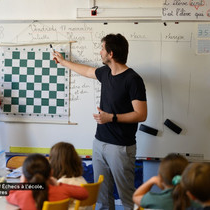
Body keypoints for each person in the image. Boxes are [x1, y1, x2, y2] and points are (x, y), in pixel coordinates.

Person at [53, 33, 147, 209]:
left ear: (111, 53)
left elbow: (141, 114)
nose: (100, 52)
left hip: (121, 147)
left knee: (127, 197)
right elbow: (87, 71)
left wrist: (112, 117)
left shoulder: (133, 80)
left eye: (102, 48)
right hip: (99, 143)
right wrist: (64, 62)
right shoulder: (105, 73)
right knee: (102, 198)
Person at [6, 153, 89, 210]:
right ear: (51, 172)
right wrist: (58, 184)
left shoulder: (21, 195)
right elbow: (84, 193)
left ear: (25, 176)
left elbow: (9, 194)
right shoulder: (62, 191)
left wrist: (22, 184)